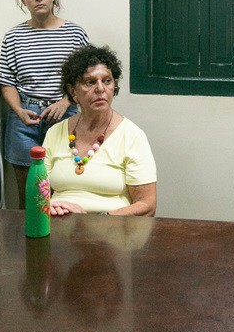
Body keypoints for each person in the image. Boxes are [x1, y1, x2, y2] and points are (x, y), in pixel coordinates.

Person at [0, 0, 89, 207]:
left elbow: (86, 77)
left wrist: (66, 101)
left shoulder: (74, 34)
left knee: (63, 190)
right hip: (25, 121)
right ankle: (28, 242)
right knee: (29, 196)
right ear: (23, 0)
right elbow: (7, 83)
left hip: (64, 118)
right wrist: (18, 110)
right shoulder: (14, 37)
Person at [43, 45, 156, 216]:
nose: (100, 89)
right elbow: (38, 193)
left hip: (111, 232)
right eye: (90, 82)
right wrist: (49, 206)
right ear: (73, 92)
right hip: (59, 227)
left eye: (107, 81)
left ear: (114, 85)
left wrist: (98, 220)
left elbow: (147, 205)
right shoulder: (55, 133)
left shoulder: (132, 135)